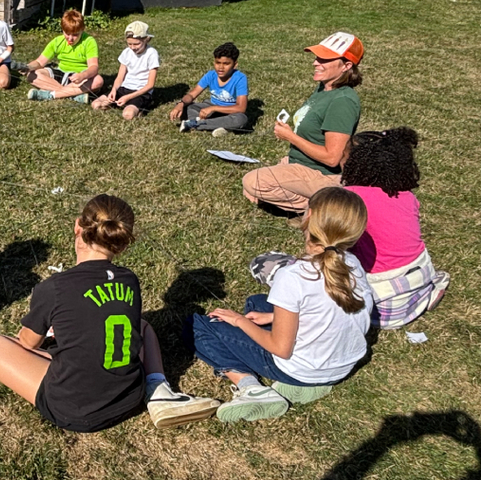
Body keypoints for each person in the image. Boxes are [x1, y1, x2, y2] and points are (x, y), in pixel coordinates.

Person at [0, 195, 220, 431]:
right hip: (129, 396)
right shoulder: (129, 280)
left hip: (73, 409)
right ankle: (158, 389)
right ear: (121, 244)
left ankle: (148, 390)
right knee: (143, 325)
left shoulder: (54, 287)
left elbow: (27, 342)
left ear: (77, 226)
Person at [192, 186, 372, 423]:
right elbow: (324, 310)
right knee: (257, 302)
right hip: (341, 365)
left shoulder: (293, 276)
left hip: (303, 369)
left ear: (308, 217)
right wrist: (271, 318)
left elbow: (280, 348)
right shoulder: (352, 263)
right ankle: (310, 385)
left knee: (199, 326)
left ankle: (251, 388)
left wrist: (239, 321)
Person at [242, 32, 364, 217]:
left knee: (253, 182)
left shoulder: (343, 101)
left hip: (322, 173)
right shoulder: (325, 87)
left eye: (324, 59)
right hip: (299, 162)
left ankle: (329, 207)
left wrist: (291, 137)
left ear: (346, 66)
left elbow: (332, 157)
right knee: (251, 189)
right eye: (317, 57)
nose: (315, 62)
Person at [341, 127, 449, 327]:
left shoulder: (349, 198)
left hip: (379, 303)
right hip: (418, 285)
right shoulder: (408, 197)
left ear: (356, 163)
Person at [170, 41, 248, 137]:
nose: (221, 67)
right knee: (188, 107)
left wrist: (213, 108)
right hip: (211, 107)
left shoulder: (240, 78)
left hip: (229, 112)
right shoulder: (211, 75)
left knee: (241, 119)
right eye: (217, 63)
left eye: (226, 64)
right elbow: (192, 95)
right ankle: (218, 126)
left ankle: (197, 124)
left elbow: (241, 108)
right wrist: (181, 104)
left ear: (235, 65)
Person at [25, 8, 103, 102]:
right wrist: (28, 67)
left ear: (82, 30)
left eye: (75, 35)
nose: (70, 38)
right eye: (67, 34)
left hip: (79, 77)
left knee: (98, 81)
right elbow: (40, 62)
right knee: (32, 74)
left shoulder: (89, 41)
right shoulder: (58, 41)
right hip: (61, 73)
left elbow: (94, 66)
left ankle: (50, 94)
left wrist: (83, 75)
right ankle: (72, 95)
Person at [91, 21, 159, 120]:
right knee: (95, 104)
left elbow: (150, 85)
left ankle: (140, 107)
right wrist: (114, 90)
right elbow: (119, 77)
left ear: (146, 40)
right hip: (124, 89)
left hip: (141, 92)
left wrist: (128, 97)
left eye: (136, 44)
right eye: (129, 44)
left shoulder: (151, 53)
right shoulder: (126, 52)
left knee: (128, 115)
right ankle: (119, 104)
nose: (132, 47)